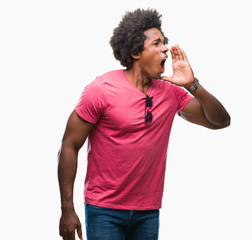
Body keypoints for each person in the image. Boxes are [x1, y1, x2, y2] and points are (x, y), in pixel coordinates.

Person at [58, 8, 230, 240]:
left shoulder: (171, 93)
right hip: (104, 210)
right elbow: (69, 146)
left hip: (147, 212)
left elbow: (220, 121)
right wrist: (67, 210)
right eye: (157, 43)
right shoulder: (100, 90)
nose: (166, 49)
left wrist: (192, 85)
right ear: (135, 52)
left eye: (164, 42)